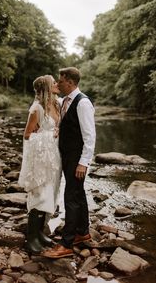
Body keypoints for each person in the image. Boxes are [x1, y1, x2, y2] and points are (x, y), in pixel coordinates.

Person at [43, 67, 96, 258]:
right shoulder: (64, 100)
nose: (58, 83)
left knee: (71, 197)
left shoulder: (82, 103)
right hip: (67, 156)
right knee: (78, 193)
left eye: (61, 81)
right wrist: (52, 89)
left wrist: (84, 162)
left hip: (76, 158)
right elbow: (46, 99)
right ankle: (83, 232)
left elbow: (90, 136)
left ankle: (66, 243)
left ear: (71, 82)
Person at [18, 75, 62, 254]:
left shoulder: (57, 104)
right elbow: (27, 135)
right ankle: (31, 239)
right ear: (46, 88)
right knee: (40, 194)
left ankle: (40, 233)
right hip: (40, 158)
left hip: (53, 156)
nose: (57, 84)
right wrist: (50, 135)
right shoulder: (36, 109)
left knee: (50, 193)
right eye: (54, 83)